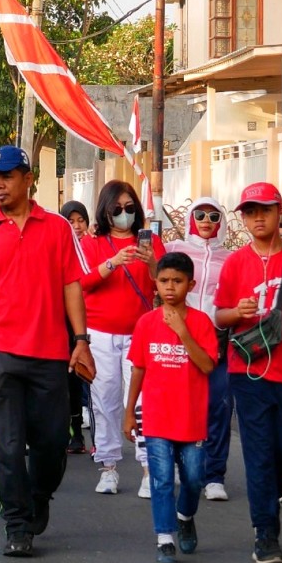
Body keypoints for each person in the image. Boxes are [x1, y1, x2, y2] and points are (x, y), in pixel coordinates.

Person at [0, 145, 94, 558]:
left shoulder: (57, 228)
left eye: (7, 177)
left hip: (50, 353)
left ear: (28, 179)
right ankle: (16, 523)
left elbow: (71, 285)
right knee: (9, 444)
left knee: (52, 443)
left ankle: (40, 494)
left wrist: (81, 340)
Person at [214, 182, 282, 563]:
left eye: (265, 210)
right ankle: (265, 534)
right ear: (243, 217)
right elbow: (220, 316)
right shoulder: (235, 263)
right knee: (258, 455)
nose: (258, 218)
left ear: (279, 213)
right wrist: (237, 312)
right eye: (250, 211)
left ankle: (271, 496)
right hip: (248, 373)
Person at [124, 252, 217, 563]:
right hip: (157, 417)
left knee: (193, 479)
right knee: (162, 480)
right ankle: (165, 539)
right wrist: (129, 412)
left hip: (191, 418)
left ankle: (185, 516)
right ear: (156, 283)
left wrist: (182, 332)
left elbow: (207, 365)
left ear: (191, 284)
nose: (170, 287)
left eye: (177, 281)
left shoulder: (201, 322)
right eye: (164, 281)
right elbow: (138, 368)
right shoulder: (146, 322)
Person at [79, 180, 163, 498]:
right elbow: (81, 282)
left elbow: (165, 281)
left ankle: (148, 469)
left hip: (140, 333)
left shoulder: (150, 241)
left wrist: (151, 260)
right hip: (100, 333)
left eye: (129, 208)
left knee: (143, 403)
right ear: (105, 210)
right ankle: (108, 467)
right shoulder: (92, 243)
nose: (124, 214)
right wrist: (112, 263)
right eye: (117, 208)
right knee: (105, 401)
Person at [166, 198, 232, 501]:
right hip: (180, 336)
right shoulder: (175, 249)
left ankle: (215, 476)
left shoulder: (231, 258)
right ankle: (179, 463)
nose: (206, 220)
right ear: (191, 219)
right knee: (180, 405)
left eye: (214, 216)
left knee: (219, 406)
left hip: (218, 339)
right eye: (200, 215)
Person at [60, 199, 92, 453]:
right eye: (71, 221)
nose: (77, 226)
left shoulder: (95, 246)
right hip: (63, 321)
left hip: (92, 322)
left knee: (84, 377)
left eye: (81, 220)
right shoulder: (59, 247)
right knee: (67, 377)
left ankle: (83, 432)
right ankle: (71, 431)